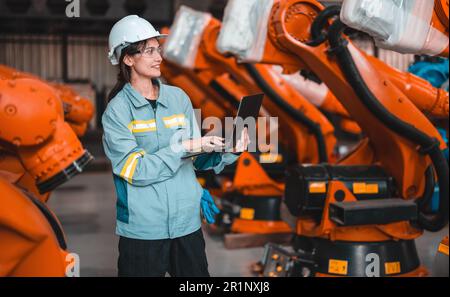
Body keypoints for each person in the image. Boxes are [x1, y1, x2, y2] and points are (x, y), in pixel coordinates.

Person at [102, 15, 249, 277]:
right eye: (149, 51)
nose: (158, 57)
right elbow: (135, 170)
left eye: (158, 49)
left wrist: (229, 150)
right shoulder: (117, 112)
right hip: (143, 231)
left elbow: (195, 159)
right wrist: (182, 147)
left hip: (187, 226)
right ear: (127, 58)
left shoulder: (178, 97)